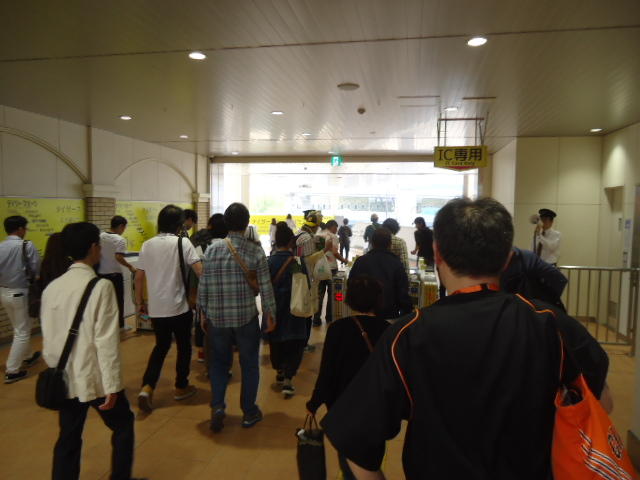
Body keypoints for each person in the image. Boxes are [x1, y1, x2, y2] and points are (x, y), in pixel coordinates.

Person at [322, 197, 611, 480]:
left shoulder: (409, 334)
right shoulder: (550, 323)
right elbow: (603, 401)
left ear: (437, 254)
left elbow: (354, 440)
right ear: (508, 258)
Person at [41, 222, 145, 480]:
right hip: (95, 379)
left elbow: (50, 338)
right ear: (92, 248)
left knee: (68, 438)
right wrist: (113, 386)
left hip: (65, 378)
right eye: (99, 246)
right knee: (123, 425)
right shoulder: (100, 287)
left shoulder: (52, 288)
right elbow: (106, 343)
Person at [198, 202, 277, 432]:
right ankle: (249, 412)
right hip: (245, 318)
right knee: (249, 364)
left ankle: (218, 406)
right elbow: (266, 287)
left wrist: (202, 312)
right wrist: (270, 313)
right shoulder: (255, 251)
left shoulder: (212, 250)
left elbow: (204, 284)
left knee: (219, 364)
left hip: (217, 318)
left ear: (226, 222)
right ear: (247, 223)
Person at [307, 276, 390, 480]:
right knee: (371, 457)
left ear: (349, 299)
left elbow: (327, 372)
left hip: (343, 408)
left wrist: (314, 403)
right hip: (376, 409)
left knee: (349, 459)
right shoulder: (388, 330)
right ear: (378, 300)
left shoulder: (338, 329)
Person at [136, 205, 203, 413]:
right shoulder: (183, 243)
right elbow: (200, 272)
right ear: (179, 224)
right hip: (179, 307)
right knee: (184, 346)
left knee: (161, 347)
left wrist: (140, 303)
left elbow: (139, 277)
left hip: (157, 309)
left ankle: (147, 387)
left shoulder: (147, 245)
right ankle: (181, 386)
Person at [267, 222, 308, 398]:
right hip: (294, 310)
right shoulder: (297, 261)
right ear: (291, 242)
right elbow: (306, 284)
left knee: (277, 341)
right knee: (295, 343)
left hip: (276, 308)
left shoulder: (270, 261)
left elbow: (265, 287)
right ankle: (288, 379)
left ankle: (279, 370)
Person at [0, 215, 41, 384]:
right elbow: (36, 268)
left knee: (19, 327)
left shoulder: (1, 246)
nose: (26, 231)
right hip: (21, 292)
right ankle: (12, 370)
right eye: (25, 228)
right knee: (22, 331)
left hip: (4, 292)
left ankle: (28, 356)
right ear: (19, 229)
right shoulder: (26, 245)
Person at [348, 228, 411, 320]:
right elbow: (403, 291)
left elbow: (350, 285)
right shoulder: (396, 263)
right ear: (390, 244)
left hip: (363, 314)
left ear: (372, 243)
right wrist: (406, 312)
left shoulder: (361, 261)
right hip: (389, 315)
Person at [189, 213, 228, 362]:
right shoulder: (231, 246)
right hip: (225, 293)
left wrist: (193, 295)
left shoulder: (201, 246)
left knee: (202, 322)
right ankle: (223, 355)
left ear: (210, 226)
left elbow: (195, 273)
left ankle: (202, 353)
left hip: (205, 292)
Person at [98, 216, 136, 329]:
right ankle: (120, 325)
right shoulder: (120, 240)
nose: (124, 230)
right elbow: (118, 257)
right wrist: (130, 266)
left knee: (104, 301)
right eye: (124, 227)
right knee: (118, 300)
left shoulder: (100, 236)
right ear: (121, 226)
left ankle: (105, 324)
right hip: (115, 275)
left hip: (101, 274)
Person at [501, 246, 568, 310]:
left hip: (531, 309)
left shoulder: (527, 259)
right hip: (529, 308)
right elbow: (559, 279)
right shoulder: (527, 257)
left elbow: (559, 279)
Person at [314, 219, 348, 326]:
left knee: (319, 294)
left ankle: (316, 319)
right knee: (332, 294)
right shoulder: (333, 236)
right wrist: (344, 260)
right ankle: (329, 317)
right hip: (331, 268)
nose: (336, 230)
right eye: (336, 228)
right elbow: (335, 252)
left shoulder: (318, 235)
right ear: (332, 226)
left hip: (319, 269)